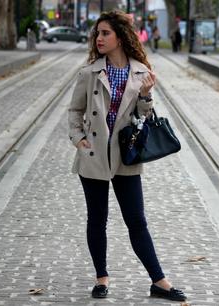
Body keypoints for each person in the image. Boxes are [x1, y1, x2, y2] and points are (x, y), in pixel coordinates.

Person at [68, 10, 187, 302]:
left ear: (120, 37)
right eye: (97, 33)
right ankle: (101, 278)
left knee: (136, 220)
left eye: (106, 33)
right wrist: (79, 139)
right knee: (97, 219)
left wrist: (146, 96)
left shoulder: (141, 72)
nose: (99, 38)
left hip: (126, 155)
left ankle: (159, 281)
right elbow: (74, 111)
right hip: (94, 154)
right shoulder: (89, 73)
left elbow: (142, 116)